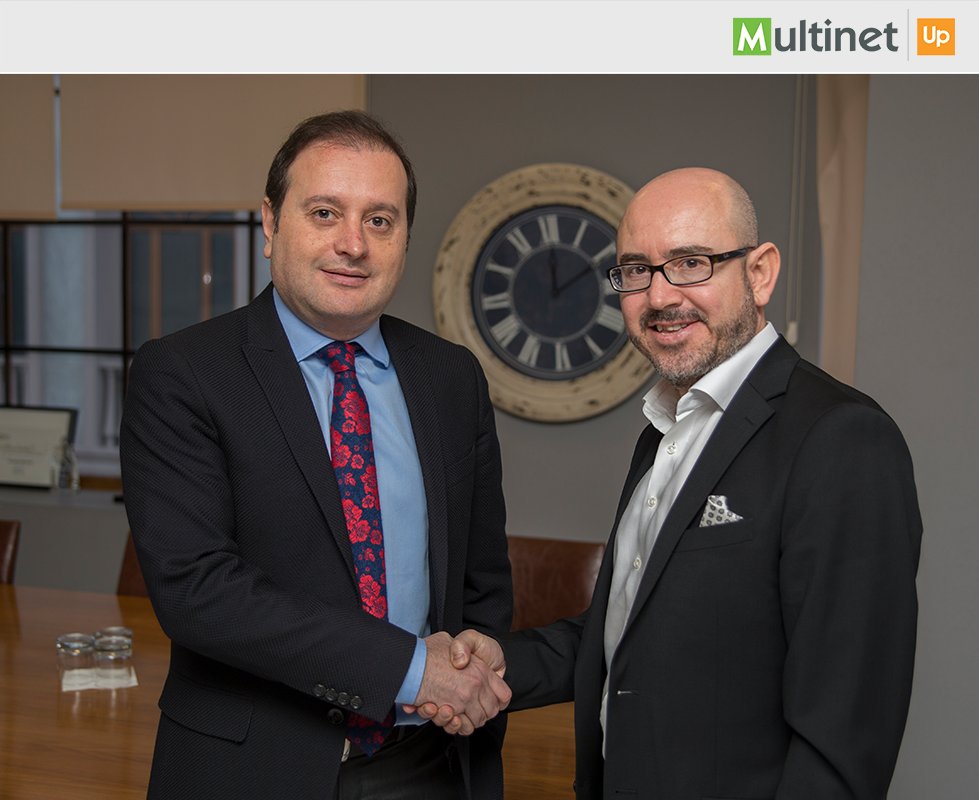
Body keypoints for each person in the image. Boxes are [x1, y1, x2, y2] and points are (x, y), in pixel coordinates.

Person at [435, 167, 923, 799]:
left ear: (760, 273)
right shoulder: (665, 429)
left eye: (691, 263)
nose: (661, 296)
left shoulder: (841, 438)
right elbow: (632, 627)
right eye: (636, 270)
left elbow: (845, 733)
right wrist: (504, 664)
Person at [120, 110, 513, 800]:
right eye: (325, 213)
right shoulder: (183, 373)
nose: (352, 244)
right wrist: (409, 669)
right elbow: (197, 590)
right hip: (251, 769)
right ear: (271, 223)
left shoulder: (451, 377)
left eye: (379, 220)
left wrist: (479, 652)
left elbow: (481, 579)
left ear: (404, 237)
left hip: (429, 761)